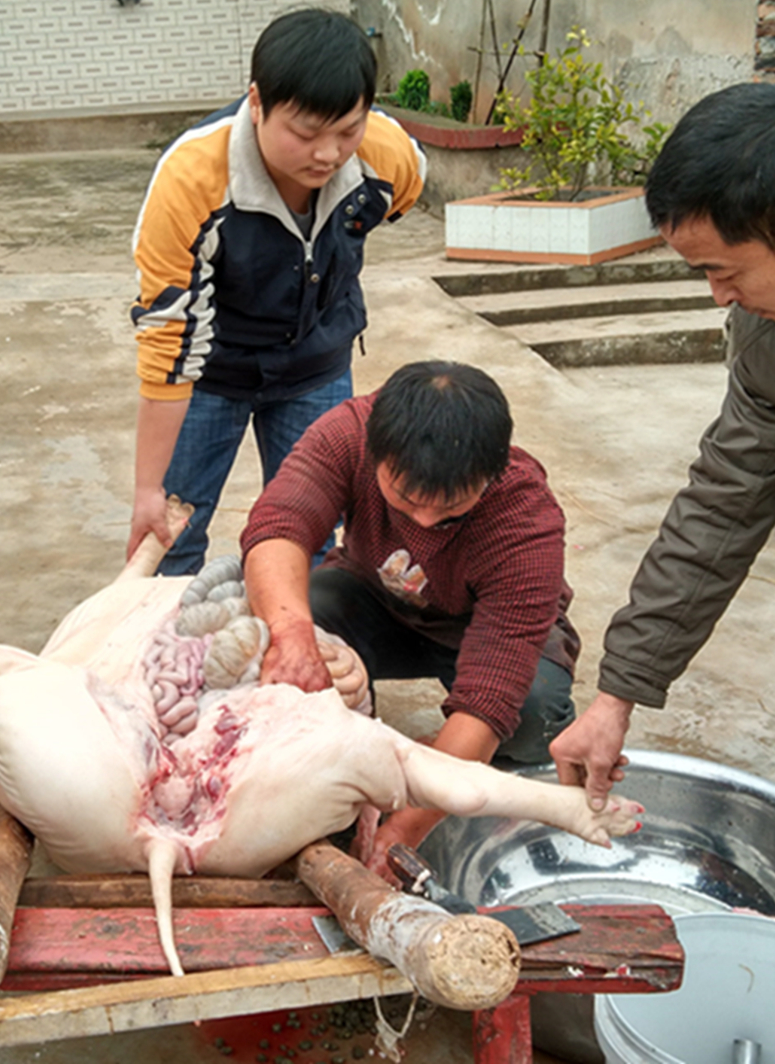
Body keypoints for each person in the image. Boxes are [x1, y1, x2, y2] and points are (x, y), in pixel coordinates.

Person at [550, 82, 775, 811]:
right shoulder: (771, 338)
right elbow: (721, 509)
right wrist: (616, 698)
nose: (719, 296)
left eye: (726, 269)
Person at [241, 361, 578, 874]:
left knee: (531, 718)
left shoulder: (525, 519)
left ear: (491, 474)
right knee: (288, 619)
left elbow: (490, 696)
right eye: (405, 500)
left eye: (451, 509)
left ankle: (435, 750)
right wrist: (291, 635)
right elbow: (279, 525)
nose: (423, 520)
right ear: (376, 452)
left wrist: (410, 822)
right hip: (373, 596)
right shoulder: (347, 433)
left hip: (478, 629)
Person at [128, 7, 426, 575]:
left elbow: (403, 195)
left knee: (310, 536)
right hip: (212, 372)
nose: (328, 154)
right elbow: (168, 340)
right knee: (169, 535)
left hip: (316, 366)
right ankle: (164, 658)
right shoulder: (190, 178)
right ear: (257, 102)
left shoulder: (385, 155)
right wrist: (146, 490)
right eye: (305, 133)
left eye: (347, 130)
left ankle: (301, 653)